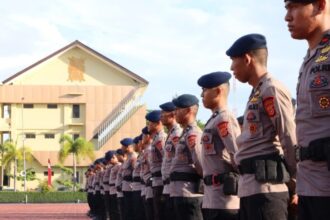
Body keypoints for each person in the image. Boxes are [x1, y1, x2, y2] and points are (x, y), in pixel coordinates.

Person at [226, 33, 297, 220]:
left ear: (247, 58)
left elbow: (288, 136)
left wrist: (296, 183)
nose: (231, 68)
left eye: (234, 61)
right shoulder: (258, 91)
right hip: (251, 188)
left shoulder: (270, 89)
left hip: (267, 192)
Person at [284, 1, 330, 219]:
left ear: (320, 5)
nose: (287, 16)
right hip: (310, 187)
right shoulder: (310, 58)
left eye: (293, 7)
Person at [197, 71, 241, 220]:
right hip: (212, 199)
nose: (202, 95)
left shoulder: (224, 118)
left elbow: (238, 155)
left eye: (205, 90)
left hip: (225, 200)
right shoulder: (214, 119)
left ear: (218, 91)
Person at [170, 94, 203, 220]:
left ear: (189, 110)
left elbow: (200, 163)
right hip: (180, 192)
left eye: (178, 109)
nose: (175, 112)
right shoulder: (185, 133)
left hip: (189, 194)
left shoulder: (193, 134)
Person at [159, 101, 183, 220]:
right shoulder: (170, 134)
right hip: (168, 185)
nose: (161, 116)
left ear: (172, 115)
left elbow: (181, 158)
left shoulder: (177, 134)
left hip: (176, 185)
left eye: (164, 113)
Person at [146, 110, 166, 220]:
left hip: (161, 182)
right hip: (156, 182)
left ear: (158, 123)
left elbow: (166, 160)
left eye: (150, 123)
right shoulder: (156, 139)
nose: (148, 125)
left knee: (160, 214)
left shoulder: (161, 139)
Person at [140, 126, 154, 220]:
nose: (142, 140)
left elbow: (153, 168)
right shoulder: (146, 151)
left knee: (151, 213)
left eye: (143, 137)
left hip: (150, 185)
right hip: (145, 186)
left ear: (148, 137)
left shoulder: (149, 150)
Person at [120, 138, 137, 220]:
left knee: (130, 210)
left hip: (130, 187)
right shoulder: (128, 157)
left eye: (123, 146)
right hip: (126, 187)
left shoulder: (134, 157)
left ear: (129, 147)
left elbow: (135, 172)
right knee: (126, 210)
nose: (121, 148)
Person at [132, 135, 146, 220]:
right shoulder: (139, 156)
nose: (134, 146)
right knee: (138, 211)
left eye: (135, 144)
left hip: (142, 187)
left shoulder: (145, 153)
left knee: (142, 212)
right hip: (138, 188)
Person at [109, 149, 122, 220]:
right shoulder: (113, 167)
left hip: (116, 190)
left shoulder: (119, 166)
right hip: (112, 189)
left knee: (117, 209)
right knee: (113, 208)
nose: (111, 160)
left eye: (113, 158)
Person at [103, 151, 114, 219]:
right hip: (108, 189)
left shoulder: (116, 166)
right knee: (109, 206)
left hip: (112, 189)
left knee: (114, 208)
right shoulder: (109, 168)